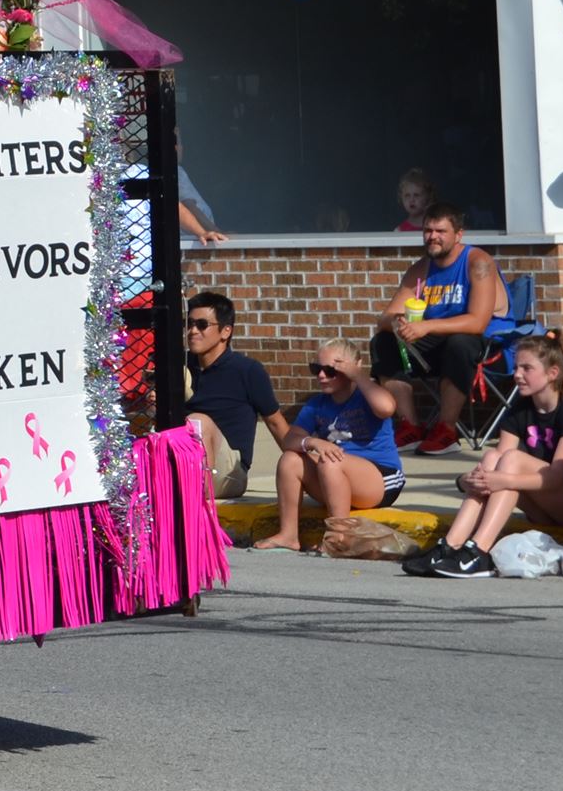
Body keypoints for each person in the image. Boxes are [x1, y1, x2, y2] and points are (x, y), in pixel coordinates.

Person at [410, 334, 563, 578]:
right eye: (516, 367)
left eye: (527, 368)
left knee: (510, 462)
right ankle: (450, 546)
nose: (517, 374)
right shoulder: (519, 409)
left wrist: (505, 481)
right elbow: (496, 463)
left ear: (552, 373)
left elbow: (557, 476)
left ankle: (479, 551)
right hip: (541, 505)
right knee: (494, 457)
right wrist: (466, 480)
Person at [370, 203, 501, 452]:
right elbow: (385, 318)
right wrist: (399, 325)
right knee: (383, 341)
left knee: (459, 342)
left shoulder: (478, 262)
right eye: (428, 230)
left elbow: (478, 321)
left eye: (441, 231)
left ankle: (446, 429)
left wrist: (427, 326)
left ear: (458, 234)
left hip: (475, 345)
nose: (433, 237)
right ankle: (410, 427)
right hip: (429, 345)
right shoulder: (420, 269)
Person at [254, 339, 406, 550]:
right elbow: (290, 439)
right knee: (290, 460)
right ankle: (289, 535)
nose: (321, 376)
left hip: (381, 478)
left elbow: (387, 407)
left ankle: (339, 536)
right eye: (316, 369)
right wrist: (312, 442)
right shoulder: (317, 404)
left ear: (353, 367)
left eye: (330, 370)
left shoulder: (367, 395)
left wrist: (359, 376)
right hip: (335, 476)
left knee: (330, 462)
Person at [179, 292, 283, 502]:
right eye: (189, 324)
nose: (192, 331)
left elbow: (275, 423)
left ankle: (194, 509)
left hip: (229, 471)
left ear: (226, 331)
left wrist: (303, 469)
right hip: (184, 460)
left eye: (202, 324)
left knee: (199, 423)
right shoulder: (181, 367)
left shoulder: (247, 370)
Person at [174, 129, 226, 245]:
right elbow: (190, 206)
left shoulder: (178, 171)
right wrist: (216, 232)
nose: (181, 148)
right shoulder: (175, 172)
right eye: (179, 142)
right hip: (193, 240)